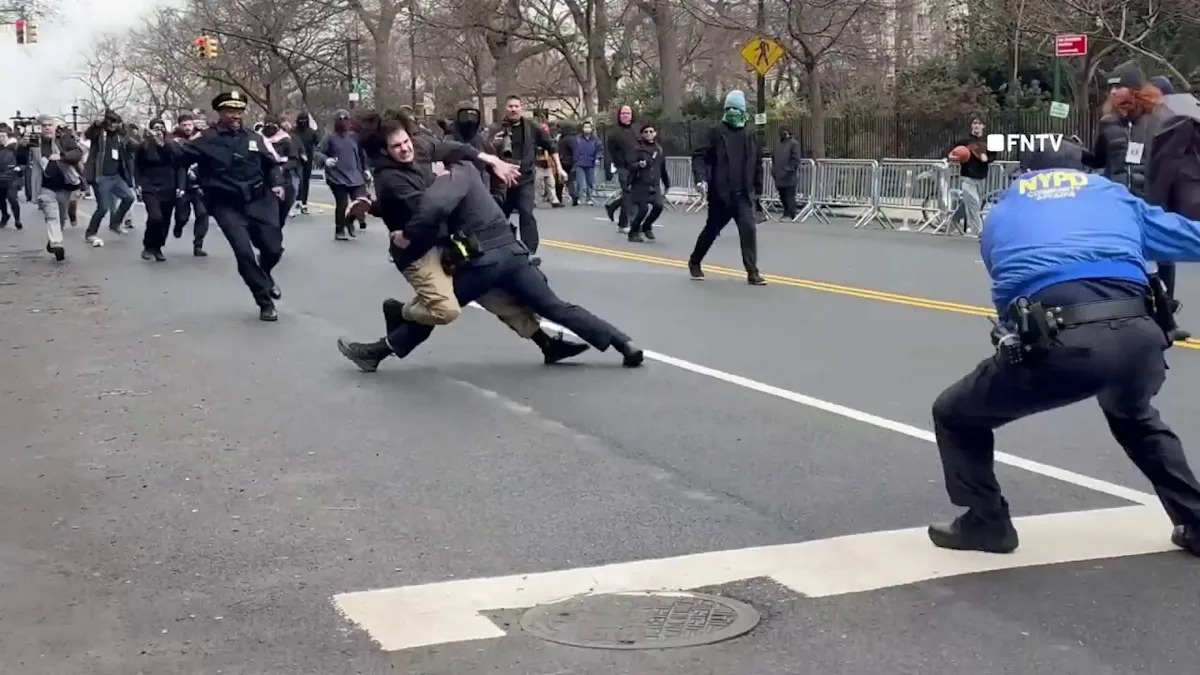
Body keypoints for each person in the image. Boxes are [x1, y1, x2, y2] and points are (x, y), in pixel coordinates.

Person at [928, 142, 1200, 558]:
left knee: (954, 413)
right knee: (1135, 417)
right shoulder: (1112, 196)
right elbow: (1189, 238)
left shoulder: (1004, 208)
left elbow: (1007, 290)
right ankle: (1196, 522)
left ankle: (987, 523)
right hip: (1141, 337)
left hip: (1064, 338)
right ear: (1083, 172)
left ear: (1024, 173)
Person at [335, 142, 644, 372]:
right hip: (513, 254)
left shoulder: (453, 177)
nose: (428, 167)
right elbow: (477, 199)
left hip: (483, 262)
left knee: (439, 307)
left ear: (444, 162)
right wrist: (374, 207)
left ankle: (378, 349)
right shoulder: (472, 174)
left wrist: (406, 235)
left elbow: (432, 209)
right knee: (556, 307)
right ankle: (622, 342)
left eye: (433, 163)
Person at [348, 111, 590, 363]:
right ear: (385, 150)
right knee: (443, 308)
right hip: (418, 251)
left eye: (406, 141)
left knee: (493, 292)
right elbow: (426, 210)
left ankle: (547, 344)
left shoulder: (421, 147)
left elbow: (456, 150)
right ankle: (395, 320)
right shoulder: (389, 177)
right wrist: (449, 185)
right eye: (397, 146)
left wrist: (489, 160)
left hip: (447, 240)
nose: (405, 148)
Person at [173, 91, 286, 321]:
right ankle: (264, 301)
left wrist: (276, 183)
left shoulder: (254, 138)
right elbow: (180, 157)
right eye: (230, 111)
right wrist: (165, 143)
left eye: (238, 111)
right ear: (220, 112)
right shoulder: (206, 138)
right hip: (225, 204)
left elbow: (271, 165)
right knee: (244, 252)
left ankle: (264, 274)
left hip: (258, 200)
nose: (235, 115)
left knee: (273, 249)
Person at [687, 90, 765, 285]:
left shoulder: (749, 133)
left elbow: (757, 162)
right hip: (721, 193)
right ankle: (695, 261)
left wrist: (758, 190)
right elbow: (699, 156)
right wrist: (700, 179)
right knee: (712, 230)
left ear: (743, 111)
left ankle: (752, 272)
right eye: (729, 109)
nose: (733, 112)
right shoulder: (715, 132)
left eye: (736, 109)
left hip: (743, 194)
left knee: (748, 229)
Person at [488, 95, 565, 253]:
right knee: (498, 216)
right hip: (502, 181)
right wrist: (493, 144)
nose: (513, 109)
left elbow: (551, 146)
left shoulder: (531, 128)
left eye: (516, 106)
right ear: (505, 109)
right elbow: (484, 151)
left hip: (525, 179)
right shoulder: (495, 128)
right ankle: (499, 248)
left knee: (526, 213)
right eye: (510, 106)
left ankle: (529, 250)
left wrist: (559, 168)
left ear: (521, 108)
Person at [29, 114, 84, 261]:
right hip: (46, 187)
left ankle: (53, 240)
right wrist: (23, 145)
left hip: (65, 185)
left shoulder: (63, 139)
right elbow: (24, 158)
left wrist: (62, 156)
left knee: (61, 218)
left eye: (49, 125)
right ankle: (57, 243)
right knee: (51, 215)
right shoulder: (35, 143)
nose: (47, 128)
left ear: (55, 127)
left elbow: (77, 154)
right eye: (43, 126)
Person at [83, 109, 136, 246]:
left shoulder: (120, 136)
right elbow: (88, 135)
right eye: (110, 122)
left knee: (129, 198)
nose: (113, 125)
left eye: (116, 122)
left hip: (116, 176)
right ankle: (90, 233)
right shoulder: (100, 134)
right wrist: (96, 125)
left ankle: (115, 223)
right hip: (101, 177)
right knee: (103, 208)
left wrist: (126, 131)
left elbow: (133, 146)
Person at [132, 119, 181, 261]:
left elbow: (177, 163)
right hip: (150, 186)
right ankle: (148, 246)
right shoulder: (144, 146)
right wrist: (137, 184)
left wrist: (180, 186)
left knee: (165, 219)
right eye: (155, 128)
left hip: (168, 186)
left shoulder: (171, 145)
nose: (158, 131)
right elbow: (137, 166)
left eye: (161, 128)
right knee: (155, 217)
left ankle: (158, 247)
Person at [320, 109, 370, 240]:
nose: (343, 121)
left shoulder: (354, 137)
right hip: (337, 177)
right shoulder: (329, 138)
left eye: (345, 118)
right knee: (342, 203)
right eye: (340, 119)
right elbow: (317, 152)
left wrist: (366, 170)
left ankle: (350, 220)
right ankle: (339, 230)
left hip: (355, 176)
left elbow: (361, 155)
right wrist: (326, 160)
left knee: (362, 202)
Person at [172, 113, 210, 256]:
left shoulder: (201, 138)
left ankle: (198, 245)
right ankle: (178, 225)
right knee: (183, 216)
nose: (187, 128)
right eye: (184, 125)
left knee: (202, 214)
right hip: (183, 184)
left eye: (189, 124)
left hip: (199, 185)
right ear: (179, 126)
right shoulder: (175, 139)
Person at [945, 117, 991, 236]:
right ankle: (979, 233)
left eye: (979, 123)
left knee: (969, 204)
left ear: (983, 126)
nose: (976, 125)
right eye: (974, 123)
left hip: (981, 178)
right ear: (971, 126)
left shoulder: (987, 142)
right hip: (967, 177)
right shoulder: (964, 141)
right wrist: (954, 158)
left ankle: (953, 221)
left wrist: (987, 158)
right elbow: (951, 154)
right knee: (974, 205)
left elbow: (993, 155)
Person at [626, 121, 668, 242]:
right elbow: (630, 165)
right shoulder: (637, 149)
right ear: (642, 135)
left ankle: (646, 226)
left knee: (659, 206)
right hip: (641, 183)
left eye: (651, 131)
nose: (649, 133)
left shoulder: (659, 149)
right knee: (643, 210)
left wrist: (667, 183)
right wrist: (639, 165)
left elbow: (662, 168)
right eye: (646, 132)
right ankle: (633, 233)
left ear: (655, 133)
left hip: (654, 184)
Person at [603, 105, 638, 231]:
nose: (625, 116)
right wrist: (609, 169)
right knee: (628, 193)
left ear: (632, 115)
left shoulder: (636, 130)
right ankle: (631, 223)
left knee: (633, 194)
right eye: (623, 113)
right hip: (622, 167)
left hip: (636, 167)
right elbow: (609, 152)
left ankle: (614, 208)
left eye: (628, 113)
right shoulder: (614, 133)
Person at [293, 111, 321, 215]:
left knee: (305, 181)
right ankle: (297, 201)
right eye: (301, 121)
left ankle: (303, 202)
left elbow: (318, 143)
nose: (303, 123)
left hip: (308, 160)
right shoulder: (294, 132)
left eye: (304, 121)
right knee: (298, 181)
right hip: (296, 160)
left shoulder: (311, 132)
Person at [772, 128, 803, 220]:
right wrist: (774, 170)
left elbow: (796, 159)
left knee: (789, 196)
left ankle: (790, 214)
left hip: (789, 175)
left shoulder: (794, 144)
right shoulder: (778, 145)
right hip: (778, 173)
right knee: (782, 196)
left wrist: (789, 169)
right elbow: (773, 158)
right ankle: (786, 213)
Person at [0, 124, 25, 230]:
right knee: (1, 199)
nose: (1, 139)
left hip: (12, 177)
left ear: (8, 136)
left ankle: (17, 219)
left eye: (3, 136)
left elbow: (24, 161)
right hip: (1, 177)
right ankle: (5, 215)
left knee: (12, 198)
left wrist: (19, 168)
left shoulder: (16, 147)